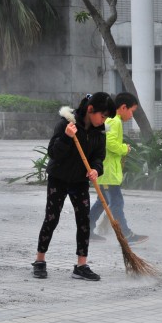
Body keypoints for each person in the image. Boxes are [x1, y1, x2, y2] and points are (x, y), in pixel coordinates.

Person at [33, 92, 116, 281]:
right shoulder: (66, 123)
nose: (103, 120)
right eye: (102, 116)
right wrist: (67, 138)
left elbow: (99, 157)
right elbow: (53, 153)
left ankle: (81, 265)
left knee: (84, 221)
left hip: (79, 181)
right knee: (51, 218)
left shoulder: (100, 131)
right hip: (59, 178)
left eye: (106, 118)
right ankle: (39, 260)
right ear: (90, 109)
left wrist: (96, 169)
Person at [89, 92, 148, 244]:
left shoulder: (109, 120)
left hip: (105, 170)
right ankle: (126, 235)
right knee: (116, 202)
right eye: (132, 111)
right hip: (109, 172)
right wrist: (125, 149)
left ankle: (86, 229)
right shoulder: (115, 121)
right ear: (123, 107)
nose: (131, 115)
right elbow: (110, 143)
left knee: (102, 202)